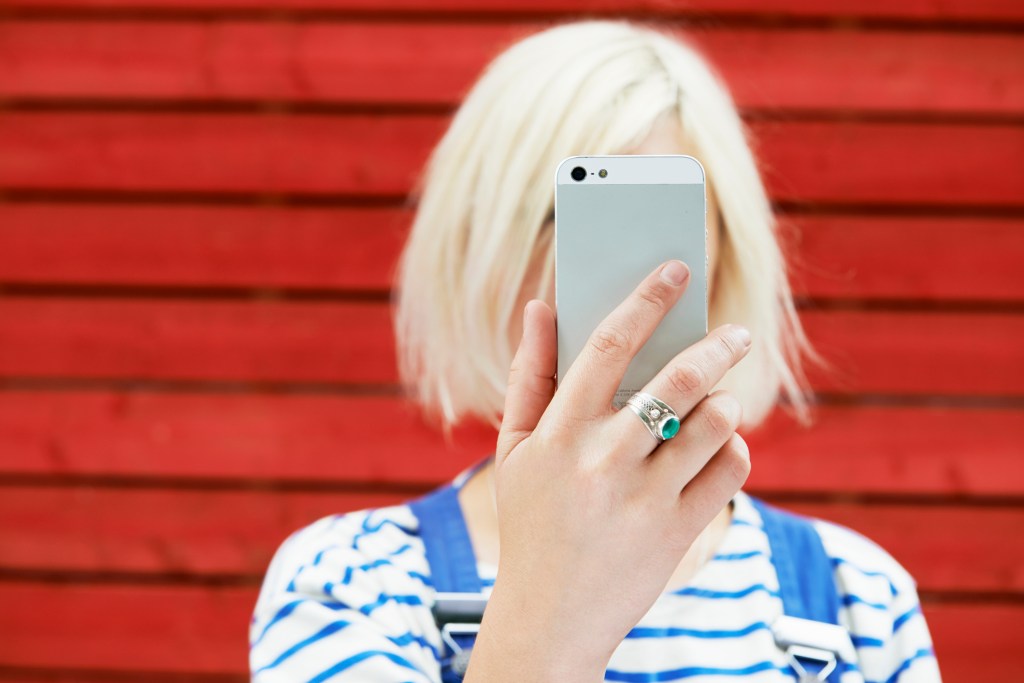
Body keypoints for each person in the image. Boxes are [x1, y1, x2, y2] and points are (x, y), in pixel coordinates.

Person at [249, 20, 941, 682]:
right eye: (560, 217)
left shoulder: (859, 601)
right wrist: (549, 607)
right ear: (473, 249)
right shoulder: (347, 584)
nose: (604, 282)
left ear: (725, 259)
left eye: (651, 223)